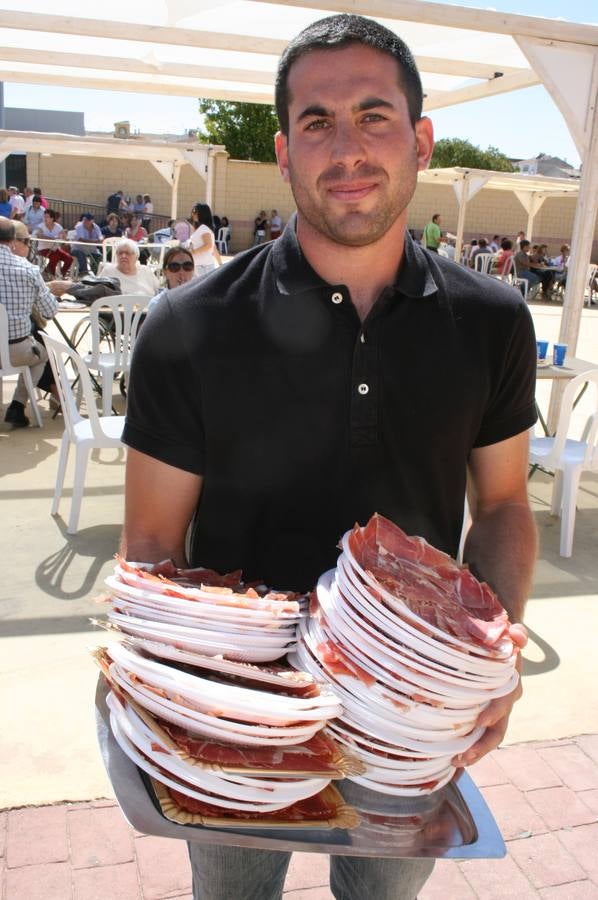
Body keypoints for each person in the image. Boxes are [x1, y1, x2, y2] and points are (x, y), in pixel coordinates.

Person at [121, 14, 536, 900]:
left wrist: (490, 664)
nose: (347, 148)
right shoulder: (189, 328)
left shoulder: (494, 322)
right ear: (282, 150)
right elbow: (152, 543)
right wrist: (178, 707)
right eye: (317, 121)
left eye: (374, 115)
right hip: (238, 708)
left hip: (416, 711)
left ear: (422, 139)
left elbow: (502, 506)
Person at [0, 217, 66, 426]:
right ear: (12, 241)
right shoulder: (29, 269)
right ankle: (18, 406)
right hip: (16, 351)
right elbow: (50, 311)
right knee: (42, 355)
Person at [147, 245, 196, 314]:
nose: (181, 272)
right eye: (174, 267)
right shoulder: (157, 304)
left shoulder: (200, 301)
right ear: (165, 272)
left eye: (187, 266)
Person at [34, 209, 74, 277]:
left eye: (47, 217)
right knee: (56, 256)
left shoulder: (58, 226)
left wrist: (64, 235)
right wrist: (53, 238)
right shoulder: (41, 226)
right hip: (43, 249)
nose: (45, 218)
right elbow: (39, 235)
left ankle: (61, 274)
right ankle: (50, 274)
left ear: (52, 218)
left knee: (69, 258)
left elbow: (63, 236)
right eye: (44, 217)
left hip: (55, 249)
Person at [188, 203, 221, 278]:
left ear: (203, 213)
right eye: (193, 211)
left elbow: (208, 245)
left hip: (202, 266)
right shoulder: (203, 228)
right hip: (203, 265)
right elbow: (213, 248)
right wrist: (220, 264)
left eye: (195, 212)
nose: (193, 214)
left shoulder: (203, 229)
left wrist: (192, 252)